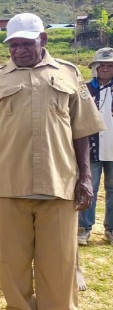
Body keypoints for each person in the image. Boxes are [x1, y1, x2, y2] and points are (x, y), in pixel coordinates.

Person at [0, 13, 105, 310]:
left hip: (59, 187)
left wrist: (85, 177)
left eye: (25, 44)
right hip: (8, 188)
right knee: (11, 268)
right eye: (13, 45)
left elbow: (82, 130)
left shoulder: (69, 74)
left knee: (59, 269)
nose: (18, 51)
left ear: (43, 39)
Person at [78, 47, 113, 246]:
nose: (106, 69)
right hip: (90, 148)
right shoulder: (85, 89)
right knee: (88, 188)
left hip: (112, 147)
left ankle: (111, 229)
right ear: (95, 68)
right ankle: (84, 229)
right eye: (103, 65)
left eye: (110, 65)